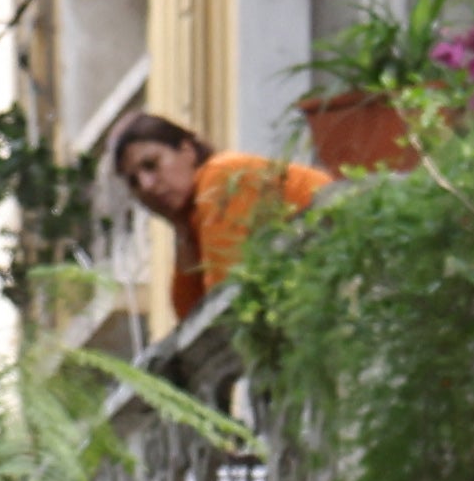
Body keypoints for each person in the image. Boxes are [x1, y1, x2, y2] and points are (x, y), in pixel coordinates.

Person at [102, 107, 333, 323]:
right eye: (134, 181)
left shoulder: (221, 176)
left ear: (187, 150)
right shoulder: (194, 218)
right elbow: (190, 316)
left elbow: (225, 301)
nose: (147, 185)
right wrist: (183, 234)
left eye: (152, 165)